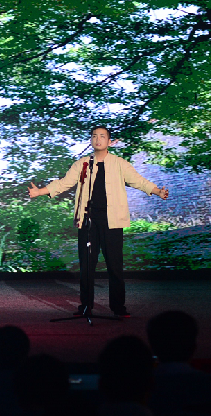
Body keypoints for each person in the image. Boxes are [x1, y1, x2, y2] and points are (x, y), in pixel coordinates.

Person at [28, 126, 169, 317]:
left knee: (115, 265)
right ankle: (86, 306)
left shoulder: (119, 163)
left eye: (102, 136)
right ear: (91, 140)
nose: (98, 139)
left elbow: (138, 181)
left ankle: (118, 307)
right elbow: (64, 183)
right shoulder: (83, 164)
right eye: (94, 136)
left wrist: (157, 191)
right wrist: (40, 192)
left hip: (112, 221)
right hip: (88, 221)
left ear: (109, 142)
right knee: (87, 266)